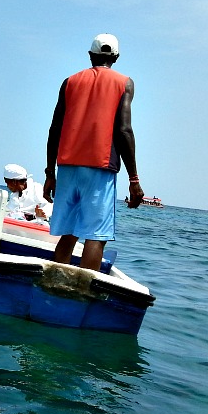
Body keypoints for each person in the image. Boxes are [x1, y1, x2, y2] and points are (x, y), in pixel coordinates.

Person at [43, 33, 145, 271]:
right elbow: (124, 130)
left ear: (90, 55)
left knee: (68, 233)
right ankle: (82, 291)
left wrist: (50, 173)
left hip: (67, 167)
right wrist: (134, 179)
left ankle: (57, 285)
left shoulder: (70, 82)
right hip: (100, 167)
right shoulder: (124, 82)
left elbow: (54, 129)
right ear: (116, 58)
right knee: (96, 236)